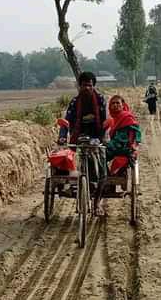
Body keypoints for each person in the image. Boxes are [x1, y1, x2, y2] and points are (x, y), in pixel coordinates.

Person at [58, 71, 108, 213]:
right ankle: (69, 185)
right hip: (78, 136)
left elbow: (104, 121)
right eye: (84, 85)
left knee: (102, 169)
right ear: (79, 86)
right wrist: (62, 136)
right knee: (68, 160)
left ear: (93, 86)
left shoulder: (100, 100)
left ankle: (97, 203)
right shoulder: (74, 102)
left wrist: (102, 137)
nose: (87, 88)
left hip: (96, 137)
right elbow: (66, 122)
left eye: (90, 85)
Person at [103, 95, 141, 177]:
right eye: (113, 103)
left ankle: (108, 176)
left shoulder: (127, 117)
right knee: (99, 156)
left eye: (118, 103)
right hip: (113, 147)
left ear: (122, 105)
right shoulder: (110, 119)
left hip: (124, 148)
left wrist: (136, 144)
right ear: (110, 106)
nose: (115, 105)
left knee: (101, 154)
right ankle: (108, 175)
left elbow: (137, 131)